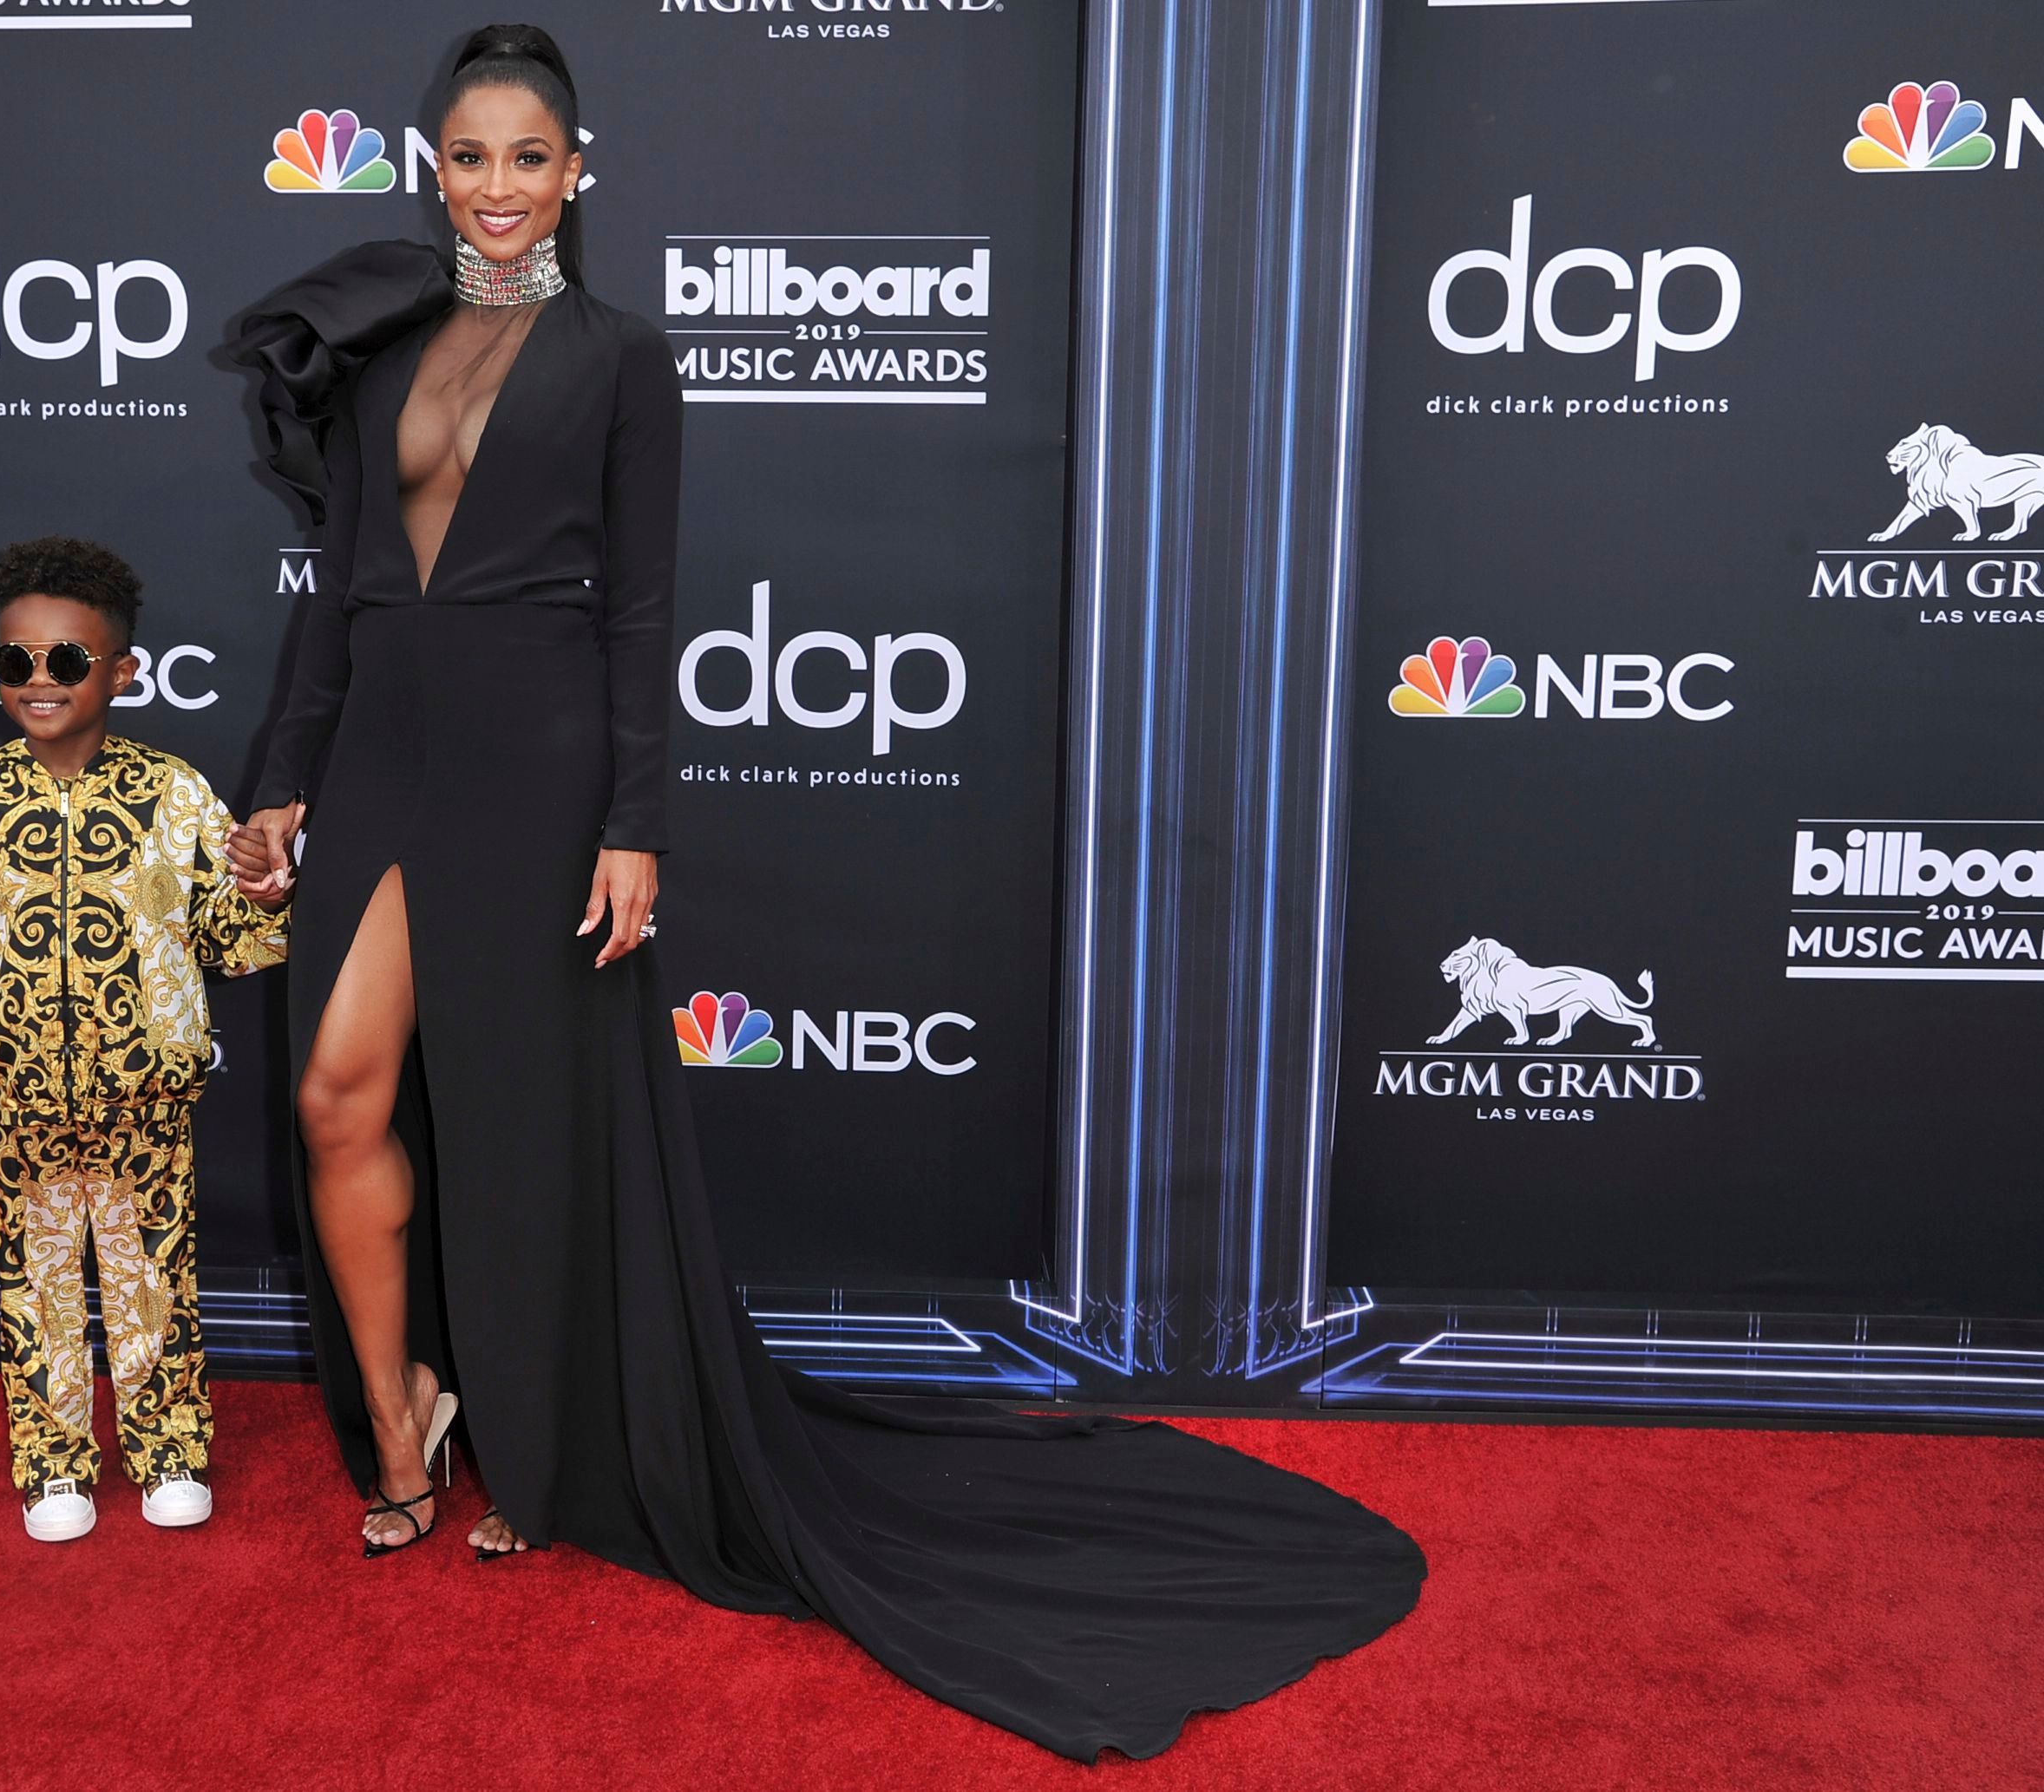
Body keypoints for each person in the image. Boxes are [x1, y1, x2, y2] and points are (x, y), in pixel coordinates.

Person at [227, 24, 1425, 1760]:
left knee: (518, 1121)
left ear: (582, 171)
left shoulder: (625, 357)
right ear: (436, 170)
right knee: (339, 1089)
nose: (497, 185)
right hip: (382, 751)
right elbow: (332, 593)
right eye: (469, 155)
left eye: (528, 155)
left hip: (543, 757)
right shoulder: (378, 345)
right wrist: (279, 777)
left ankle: (543, 1456)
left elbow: (640, 609)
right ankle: (404, 1417)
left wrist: (635, 820)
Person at [0, 536, 286, 1543]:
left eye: (66, 661)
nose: (37, 680)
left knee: (152, 1278)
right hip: (18, 1100)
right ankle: (56, 1462)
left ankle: (168, 1448)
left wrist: (261, 887)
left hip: (146, 1100)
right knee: (36, 1291)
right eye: (15, 660)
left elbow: (236, 948)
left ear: (120, 670)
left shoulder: (176, 795)